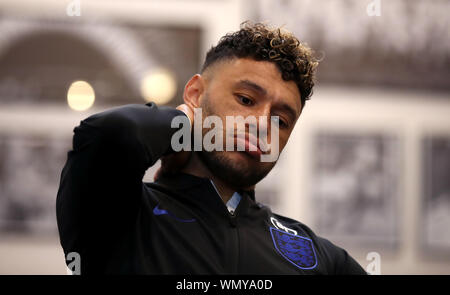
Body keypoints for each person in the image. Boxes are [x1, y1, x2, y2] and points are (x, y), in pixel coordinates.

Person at [56, 21, 367, 274]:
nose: (262, 124)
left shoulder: (321, 258)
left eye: (281, 120)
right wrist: (181, 127)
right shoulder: (121, 214)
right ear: (195, 94)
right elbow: (110, 135)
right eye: (245, 100)